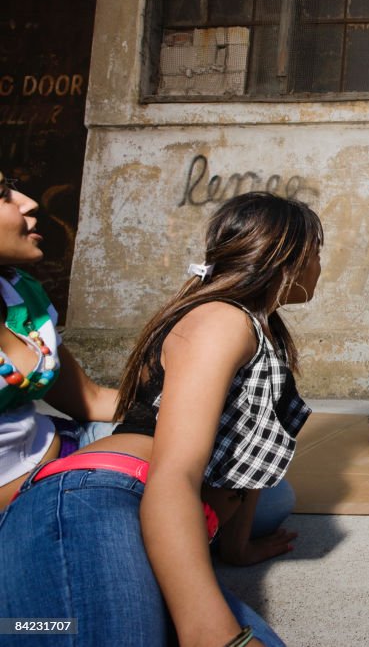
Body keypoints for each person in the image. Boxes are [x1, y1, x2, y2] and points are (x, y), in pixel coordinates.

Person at [0, 192, 323, 646]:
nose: (320, 267)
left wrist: (237, 548)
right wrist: (210, 631)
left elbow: (241, 456)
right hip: (100, 497)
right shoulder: (221, 320)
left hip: (142, 506)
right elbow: (173, 478)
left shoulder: (260, 328)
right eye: (318, 252)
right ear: (292, 257)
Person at [0, 171, 118, 509]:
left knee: (268, 501)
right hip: (39, 501)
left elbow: (91, 399)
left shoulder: (21, 290)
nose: (29, 203)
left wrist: (183, 404)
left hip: (65, 454)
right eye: (2, 195)